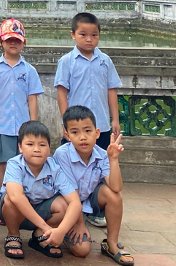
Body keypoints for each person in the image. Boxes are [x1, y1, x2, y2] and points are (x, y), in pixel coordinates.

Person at [0, 121, 83, 259]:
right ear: (20, 147)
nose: (36, 149)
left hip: (41, 209)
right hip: (13, 213)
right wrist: (46, 226)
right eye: (30, 144)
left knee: (64, 203)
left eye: (42, 145)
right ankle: (13, 235)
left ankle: (40, 235)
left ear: (49, 149)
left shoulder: (54, 168)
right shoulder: (15, 164)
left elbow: (75, 202)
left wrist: (60, 231)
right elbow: (16, 196)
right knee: (10, 199)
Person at [55, 106, 133, 265]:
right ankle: (61, 230)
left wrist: (113, 159)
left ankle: (111, 243)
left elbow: (116, 187)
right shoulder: (62, 154)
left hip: (88, 201)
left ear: (97, 133)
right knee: (82, 250)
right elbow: (71, 193)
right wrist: (79, 223)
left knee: (114, 196)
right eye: (75, 132)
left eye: (87, 131)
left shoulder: (102, 154)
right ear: (67, 135)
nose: (82, 137)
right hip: (67, 204)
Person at [0, 18, 43, 224]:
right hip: (1, 124)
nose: (13, 43)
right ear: (0, 42)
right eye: (9, 39)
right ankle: (0, 205)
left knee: (25, 165)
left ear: (23, 42)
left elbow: (32, 98)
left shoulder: (29, 70)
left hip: (22, 127)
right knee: (3, 164)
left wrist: (33, 125)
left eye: (17, 40)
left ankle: (22, 204)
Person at [55, 12, 122, 151]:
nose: (89, 39)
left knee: (102, 160)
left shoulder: (105, 61)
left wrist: (115, 119)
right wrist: (65, 122)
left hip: (101, 125)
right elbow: (62, 93)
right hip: (76, 125)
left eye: (94, 35)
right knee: (72, 159)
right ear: (73, 35)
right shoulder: (67, 61)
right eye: (83, 35)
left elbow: (111, 90)